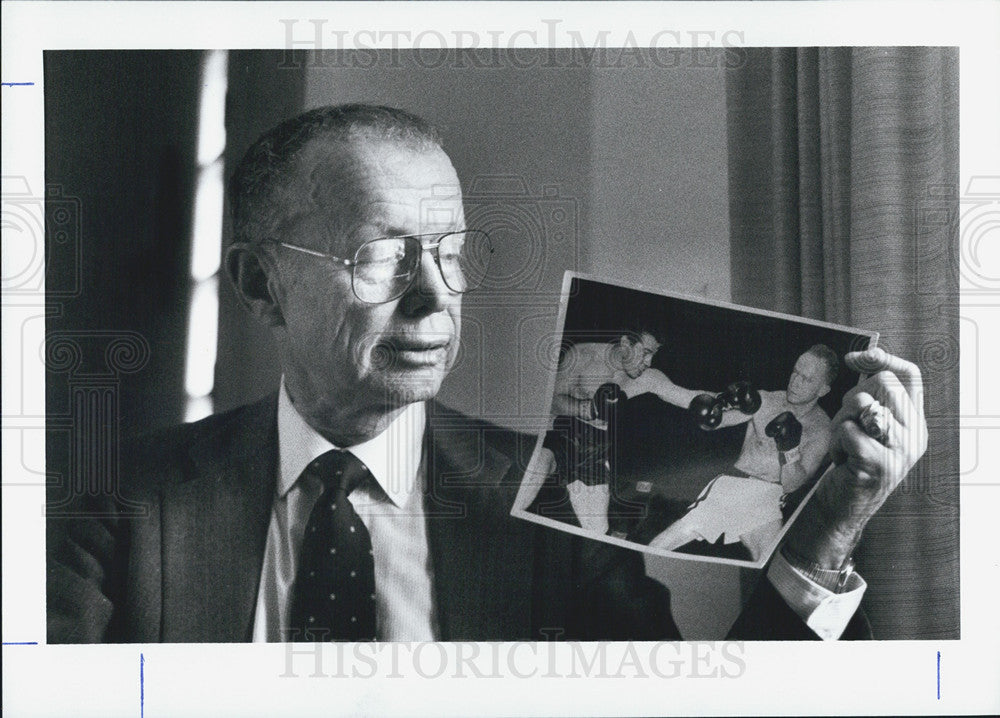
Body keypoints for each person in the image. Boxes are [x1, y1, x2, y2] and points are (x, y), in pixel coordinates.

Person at [47, 104, 929, 643]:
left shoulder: (557, 503)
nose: (436, 300)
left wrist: (826, 536)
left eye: (454, 254)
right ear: (259, 285)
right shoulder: (116, 504)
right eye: (382, 257)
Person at [529, 331, 662, 535]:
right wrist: (588, 408)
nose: (649, 362)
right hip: (562, 432)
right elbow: (550, 399)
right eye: (645, 353)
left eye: (653, 355)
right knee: (537, 463)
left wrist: (722, 401)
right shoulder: (584, 355)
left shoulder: (649, 377)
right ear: (626, 342)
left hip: (596, 449)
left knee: (597, 532)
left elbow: (690, 397)